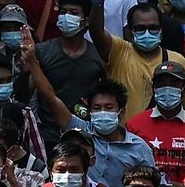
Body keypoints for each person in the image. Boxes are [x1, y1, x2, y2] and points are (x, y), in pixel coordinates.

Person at [20, 27, 155, 187]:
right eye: (97, 108)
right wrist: (31, 61)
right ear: (89, 111)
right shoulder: (80, 132)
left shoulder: (139, 148)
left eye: (109, 107)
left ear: (121, 111)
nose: (103, 112)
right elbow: (50, 98)